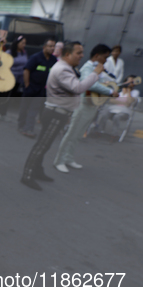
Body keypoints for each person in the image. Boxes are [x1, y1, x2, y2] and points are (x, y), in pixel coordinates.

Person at [20, 41, 104, 191]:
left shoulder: (66, 67)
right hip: (55, 113)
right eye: (78, 53)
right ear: (67, 54)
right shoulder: (63, 69)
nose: (82, 56)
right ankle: (27, 175)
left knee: (44, 144)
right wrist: (95, 73)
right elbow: (78, 88)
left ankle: (38, 171)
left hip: (57, 112)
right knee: (41, 145)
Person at [52, 44, 117, 173]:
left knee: (78, 134)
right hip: (81, 104)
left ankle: (68, 158)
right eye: (105, 57)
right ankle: (59, 161)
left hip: (91, 105)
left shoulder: (97, 68)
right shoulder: (88, 67)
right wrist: (109, 91)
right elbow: (90, 84)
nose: (106, 60)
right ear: (97, 56)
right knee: (72, 133)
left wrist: (107, 87)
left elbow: (98, 84)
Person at [17, 38, 57, 138]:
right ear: (44, 47)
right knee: (24, 108)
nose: (52, 48)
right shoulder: (36, 57)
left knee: (34, 109)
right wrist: (27, 85)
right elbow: (26, 70)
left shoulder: (53, 60)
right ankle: (21, 125)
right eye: (50, 46)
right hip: (30, 87)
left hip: (41, 90)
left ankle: (28, 129)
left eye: (53, 46)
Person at [0, 35, 28, 122]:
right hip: (8, 78)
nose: (24, 45)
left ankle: (3, 114)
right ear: (17, 43)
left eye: (25, 43)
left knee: (10, 97)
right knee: (4, 96)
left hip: (18, 79)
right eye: (22, 43)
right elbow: (2, 63)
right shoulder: (10, 52)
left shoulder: (24, 52)